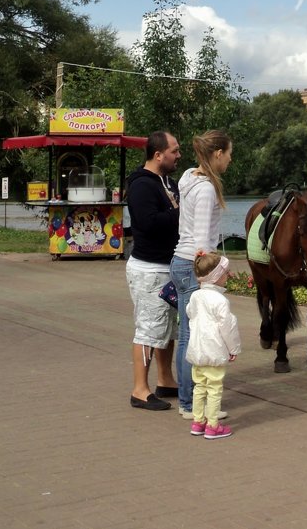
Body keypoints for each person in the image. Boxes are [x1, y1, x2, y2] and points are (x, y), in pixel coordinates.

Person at [170, 130, 233, 419]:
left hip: (180, 262)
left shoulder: (187, 177)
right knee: (194, 336)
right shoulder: (206, 188)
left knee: (187, 334)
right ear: (217, 153)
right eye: (229, 153)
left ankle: (190, 401)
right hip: (192, 265)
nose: (230, 160)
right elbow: (201, 241)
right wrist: (210, 274)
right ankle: (190, 404)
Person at [125, 131, 182, 411]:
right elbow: (147, 223)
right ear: (158, 155)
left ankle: (166, 380)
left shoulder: (168, 182)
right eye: (174, 151)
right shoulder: (141, 186)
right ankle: (140, 389)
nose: (178, 156)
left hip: (166, 265)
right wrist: (178, 213)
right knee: (148, 329)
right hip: (149, 269)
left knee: (167, 329)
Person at [186, 253, 241, 439]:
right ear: (217, 276)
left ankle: (198, 421)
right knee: (215, 387)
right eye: (226, 272)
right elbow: (228, 328)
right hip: (215, 350)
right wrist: (233, 349)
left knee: (200, 386)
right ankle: (213, 425)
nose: (228, 275)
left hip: (197, 349)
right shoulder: (220, 301)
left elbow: (189, 314)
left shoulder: (195, 296)